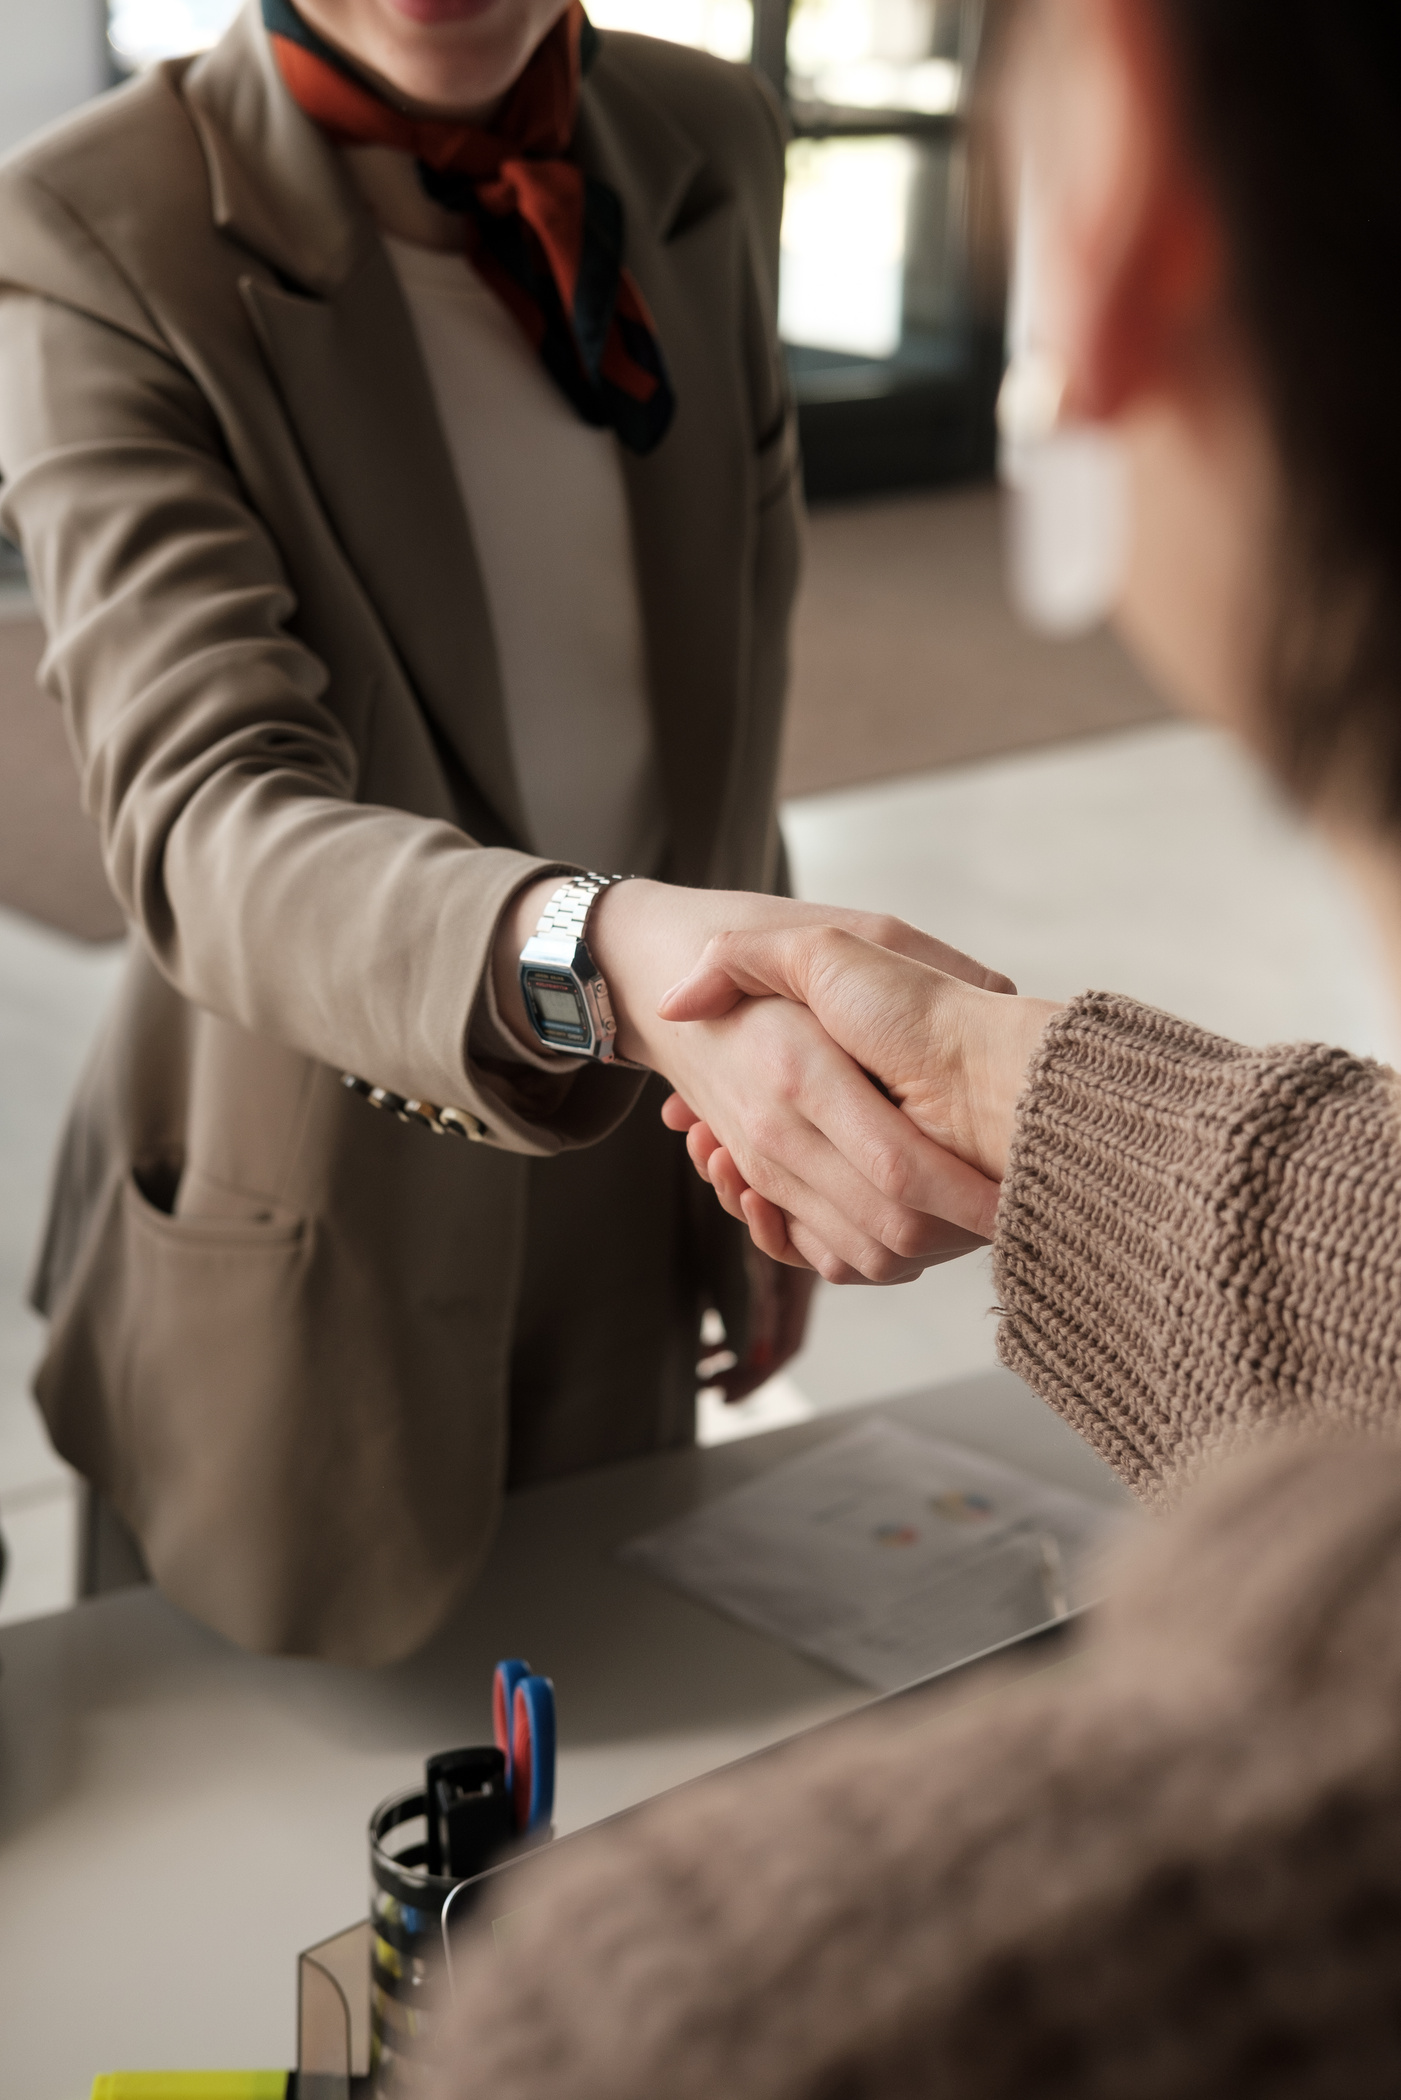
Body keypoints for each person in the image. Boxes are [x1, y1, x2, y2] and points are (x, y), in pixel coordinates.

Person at [430, 0, 1401, 2088]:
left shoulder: (745, 2023)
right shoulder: (93, 212)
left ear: (1115, 193)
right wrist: (1000, 1089)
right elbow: (204, 797)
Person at [0, 0, 1003, 1663]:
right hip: (301, 1218)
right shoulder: (99, 220)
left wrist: (739, 1129)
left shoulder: (708, 139)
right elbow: (207, 817)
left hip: (641, 1142)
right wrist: (603, 960)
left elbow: (713, 720)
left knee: (596, 1784)